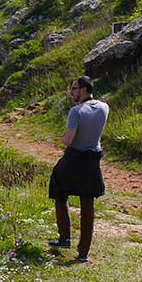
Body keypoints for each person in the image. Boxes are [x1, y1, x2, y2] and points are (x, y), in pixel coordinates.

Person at [48, 76, 108, 263]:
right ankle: (83, 253)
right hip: (92, 161)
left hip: (74, 159)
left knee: (58, 191)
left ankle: (65, 237)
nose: (71, 93)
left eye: (74, 89)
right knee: (87, 205)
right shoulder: (104, 107)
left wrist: (62, 138)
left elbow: (68, 140)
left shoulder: (75, 111)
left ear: (83, 90)